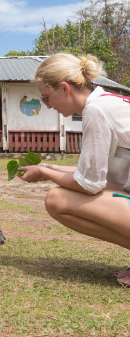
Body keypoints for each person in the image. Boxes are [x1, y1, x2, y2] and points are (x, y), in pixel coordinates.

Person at [18, 53, 130, 287]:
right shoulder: (109, 101)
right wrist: (48, 166)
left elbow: (89, 185)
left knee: (57, 199)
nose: (47, 105)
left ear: (65, 88)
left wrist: (46, 174)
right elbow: (100, 174)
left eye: (46, 97)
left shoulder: (96, 111)